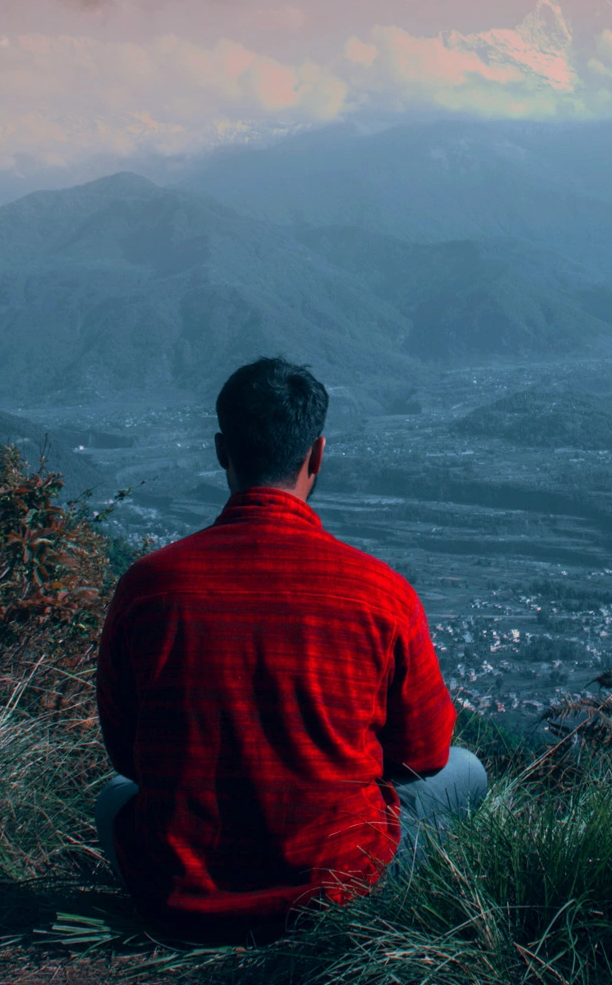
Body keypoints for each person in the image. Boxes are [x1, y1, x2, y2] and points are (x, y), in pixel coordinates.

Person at [94, 357, 488, 946]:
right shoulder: (380, 593)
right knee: (467, 770)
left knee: (114, 798)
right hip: (337, 889)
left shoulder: (150, 586)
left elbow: (129, 755)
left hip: (179, 896)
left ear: (222, 451)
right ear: (318, 454)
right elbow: (425, 755)